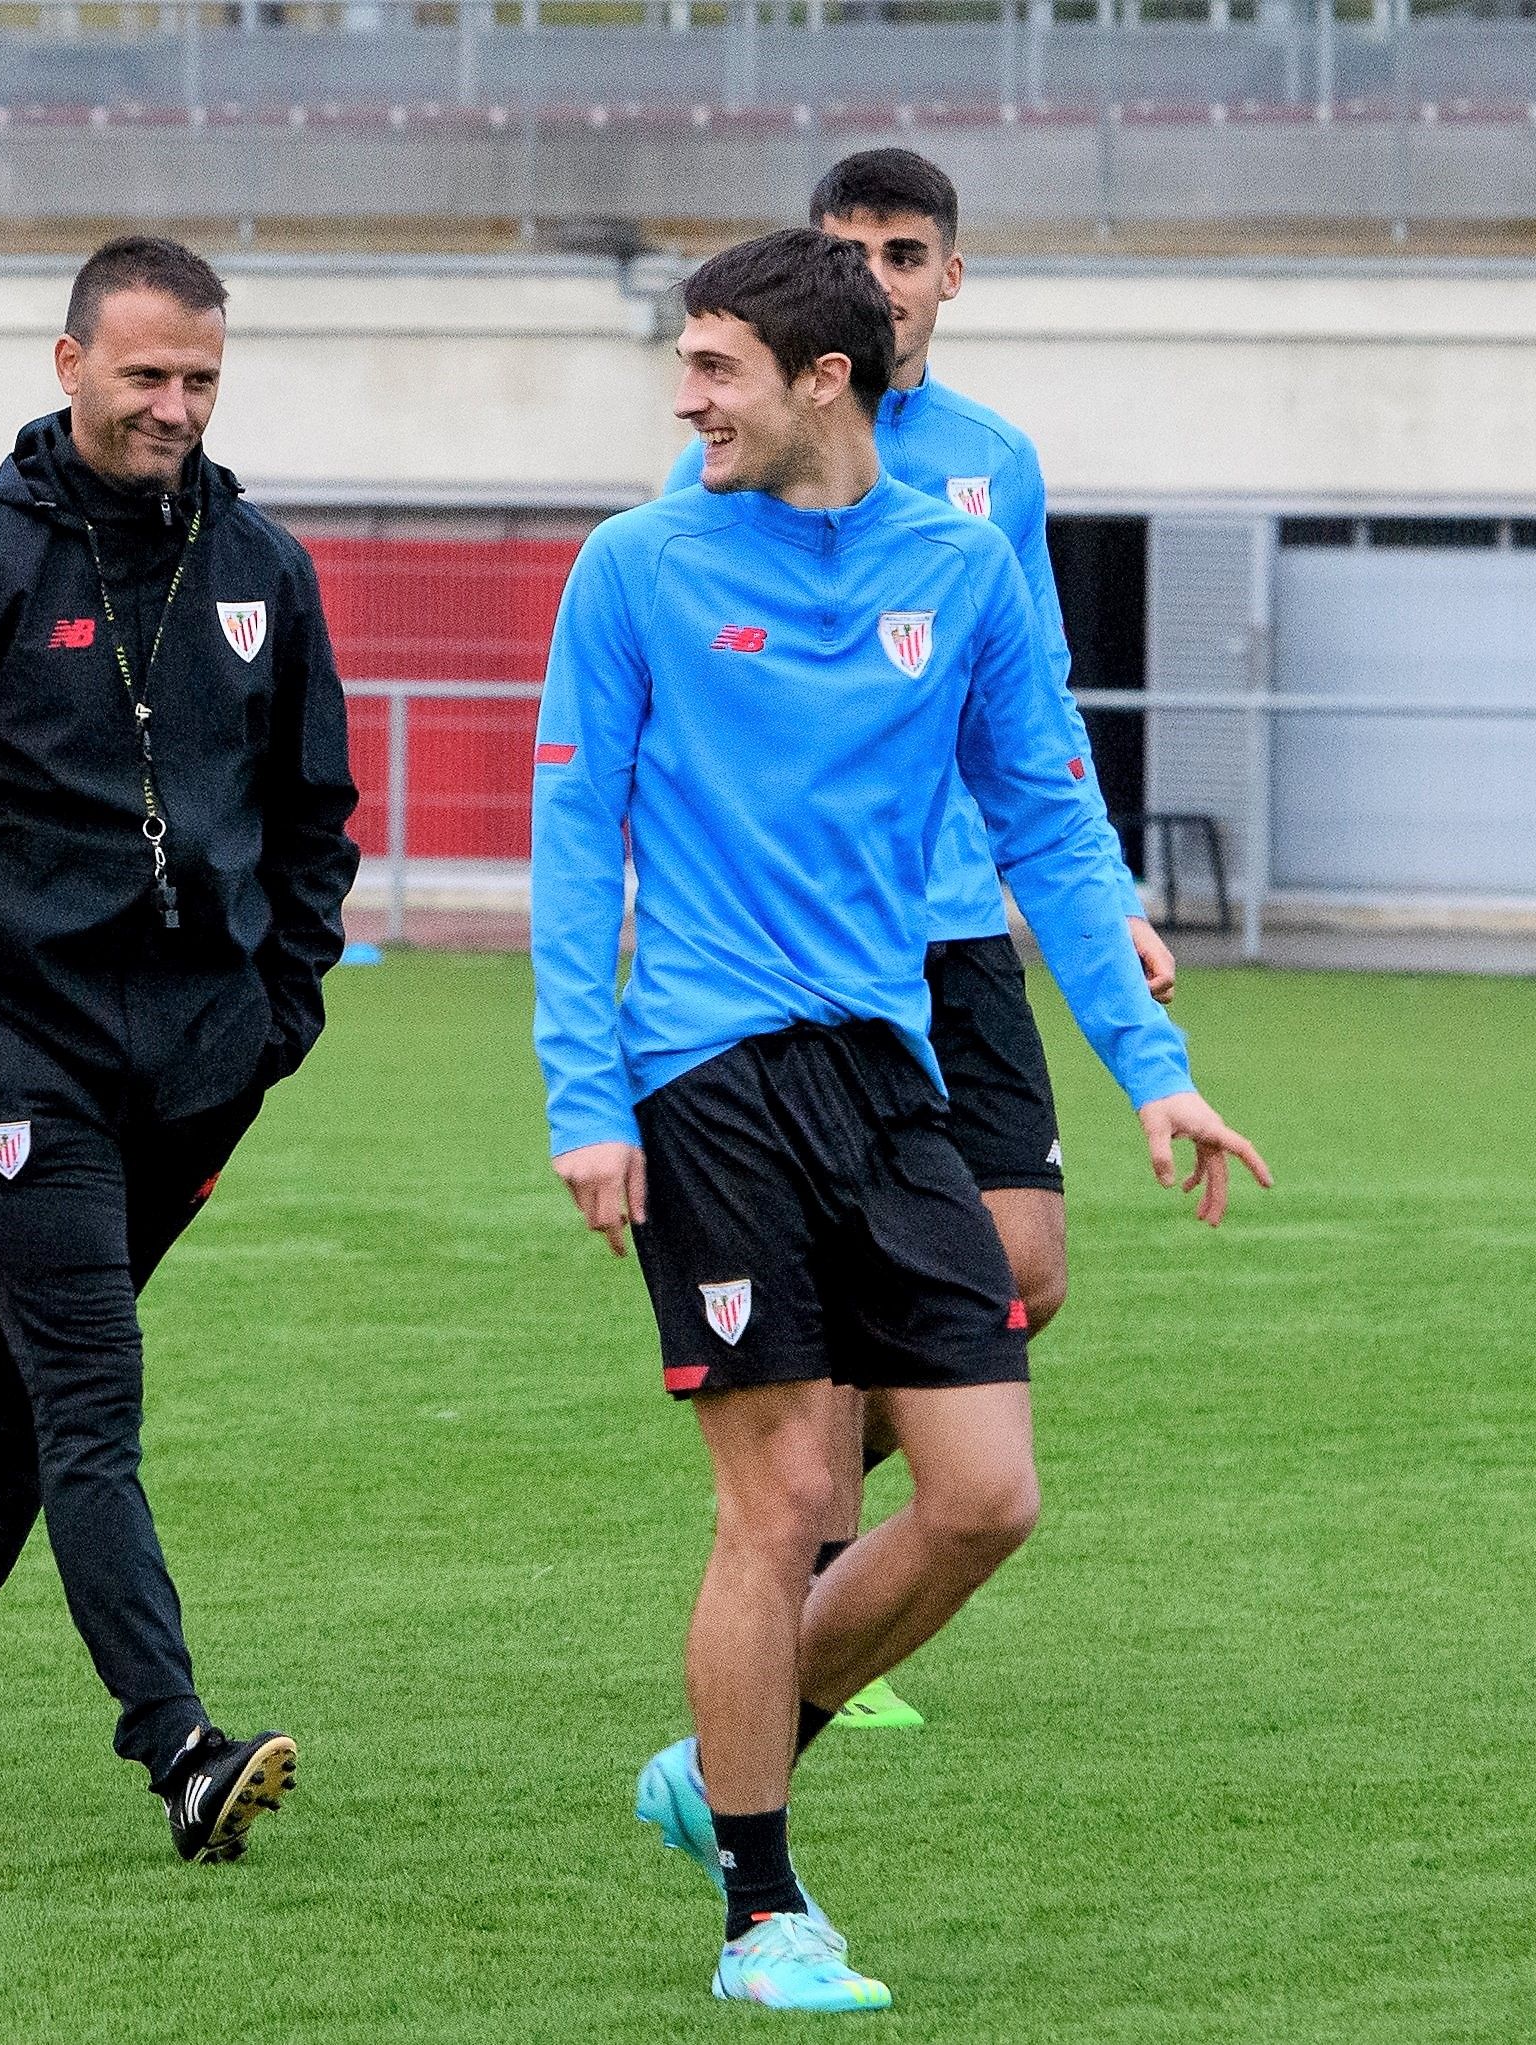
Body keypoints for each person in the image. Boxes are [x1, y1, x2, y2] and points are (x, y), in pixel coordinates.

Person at [537, 230, 1267, 2009]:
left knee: (987, 1497)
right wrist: (588, 1097)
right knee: (782, 1495)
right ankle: (764, 1911)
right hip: (702, 1077)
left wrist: (1149, 1068)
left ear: (821, 382)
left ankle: (731, 1745)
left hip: (887, 1076)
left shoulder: (959, 565)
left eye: (714, 368)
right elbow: (573, 851)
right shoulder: (633, 570)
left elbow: (1048, 827)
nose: (684, 397)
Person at [0, 235, 359, 1860]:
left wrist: (279, 1017)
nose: (173, 407)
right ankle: (178, 1745)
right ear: (70, 368)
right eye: (145, 376)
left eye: (199, 379)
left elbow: (314, 816)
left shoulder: (264, 565)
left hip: (197, 1074)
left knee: (24, 1395)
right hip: (17, 1067)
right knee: (90, 1392)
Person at [661, 146, 1173, 1734]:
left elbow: (1034, 716)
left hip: (963, 924)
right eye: (846, 251)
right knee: (857, 1288)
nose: (876, 275)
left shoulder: (988, 471)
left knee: (1026, 1262)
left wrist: (1103, 898)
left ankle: (805, 1510)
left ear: (949, 275)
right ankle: (799, 1557)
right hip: (807, 964)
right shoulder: (717, 487)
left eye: (902, 250)